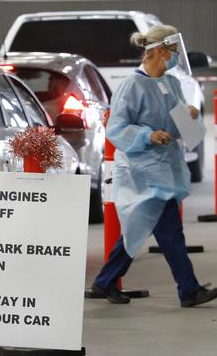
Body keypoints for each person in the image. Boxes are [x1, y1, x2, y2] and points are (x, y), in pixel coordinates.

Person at [91, 25, 217, 307]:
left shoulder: (170, 83)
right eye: (173, 51)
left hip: (166, 169)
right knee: (168, 230)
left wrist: (190, 116)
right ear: (159, 51)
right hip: (143, 173)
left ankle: (105, 281)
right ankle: (189, 290)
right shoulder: (131, 87)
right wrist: (147, 135)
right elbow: (117, 128)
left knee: (138, 228)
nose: (175, 57)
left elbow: (184, 129)